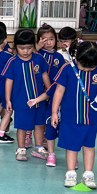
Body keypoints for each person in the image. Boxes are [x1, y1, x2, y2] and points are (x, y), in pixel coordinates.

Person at [50, 41, 97, 186]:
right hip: (70, 117)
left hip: (91, 117)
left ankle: (88, 174)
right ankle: (71, 173)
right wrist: (54, 112)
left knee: (89, 145)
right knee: (71, 146)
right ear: (76, 56)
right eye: (84, 66)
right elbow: (59, 91)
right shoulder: (67, 69)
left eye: (92, 67)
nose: (88, 69)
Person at [3, 29, 51, 162]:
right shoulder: (12, 62)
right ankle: (21, 148)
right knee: (22, 125)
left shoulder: (39, 59)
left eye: (29, 48)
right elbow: (8, 81)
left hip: (39, 100)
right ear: (15, 47)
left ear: (34, 46)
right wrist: (8, 100)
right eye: (22, 48)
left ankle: (39, 147)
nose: (25, 51)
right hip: (20, 101)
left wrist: (49, 90)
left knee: (39, 124)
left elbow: (44, 74)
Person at [34, 25, 66, 165]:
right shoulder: (37, 54)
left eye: (51, 39)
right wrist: (37, 47)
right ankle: (33, 137)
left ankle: (47, 138)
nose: (48, 42)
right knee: (37, 115)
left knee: (49, 115)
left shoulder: (59, 56)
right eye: (44, 39)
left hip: (53, 92)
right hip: (38, 91)